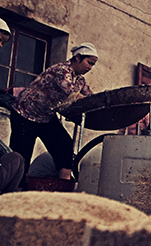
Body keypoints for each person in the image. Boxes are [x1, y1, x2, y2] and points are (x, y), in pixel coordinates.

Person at [9, 43, 98, 183]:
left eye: (92, 65)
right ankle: (14, 190)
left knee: (64, 145)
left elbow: (90, 97)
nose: (90, 67)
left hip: (45, 116)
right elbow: (70, 94)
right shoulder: (62, 70)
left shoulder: (80, 80)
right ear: (78, 57)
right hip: (24, 113)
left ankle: (64, 184)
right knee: (21, 156)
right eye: (89, 63)